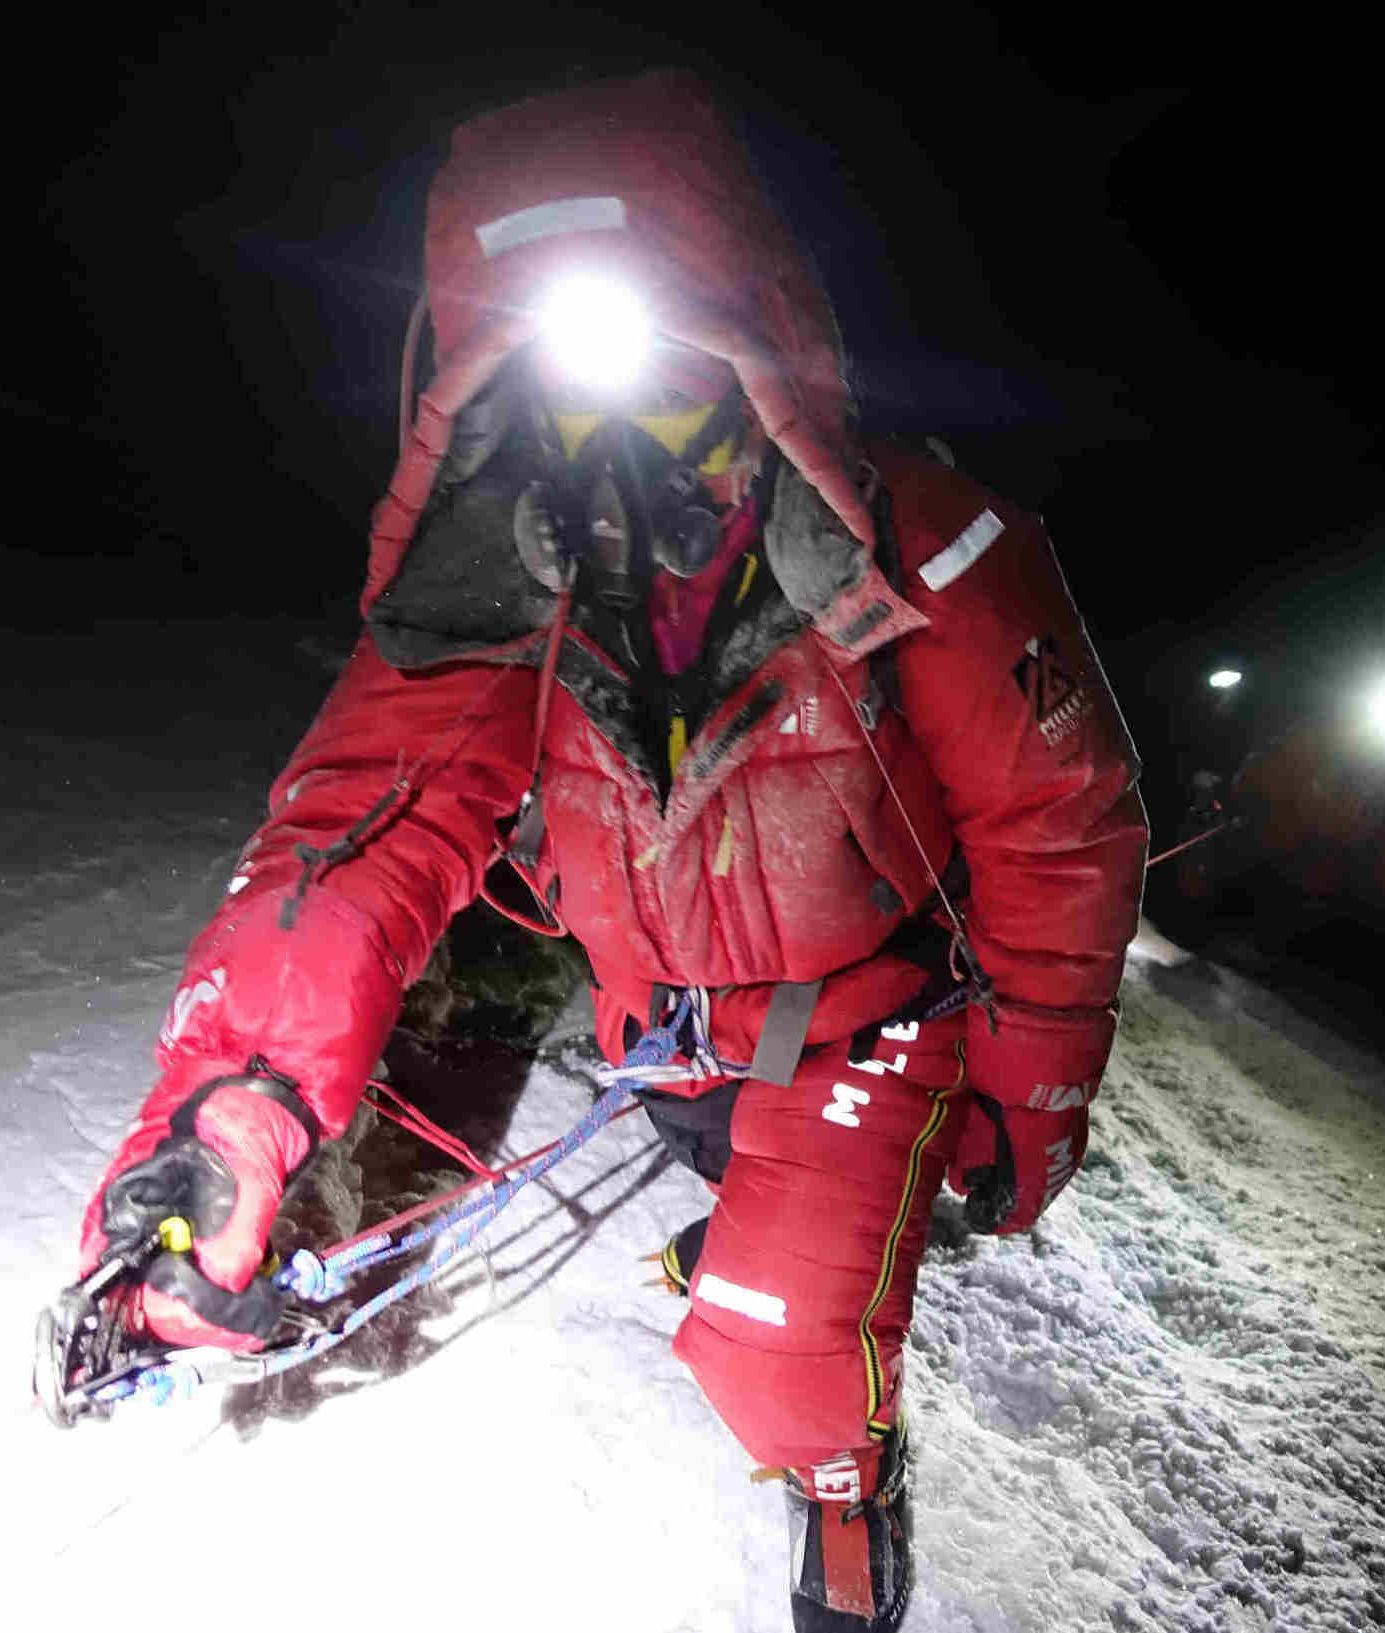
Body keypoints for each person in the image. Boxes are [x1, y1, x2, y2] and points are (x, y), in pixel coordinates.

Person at [74, 67, 1146, 1633]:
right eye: (540, 343)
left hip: (876, 1019)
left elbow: (1062, 823)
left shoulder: (919, 539)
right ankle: (765, 1222)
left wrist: (1030, 1104)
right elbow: (359, 825)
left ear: (741, 314)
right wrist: (237, 1112)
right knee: (740, 1210)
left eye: (644, 325)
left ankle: (846, 1495)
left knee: (774, 1339)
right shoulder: (519, 570)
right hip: (668, 1037)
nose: (606, 390)